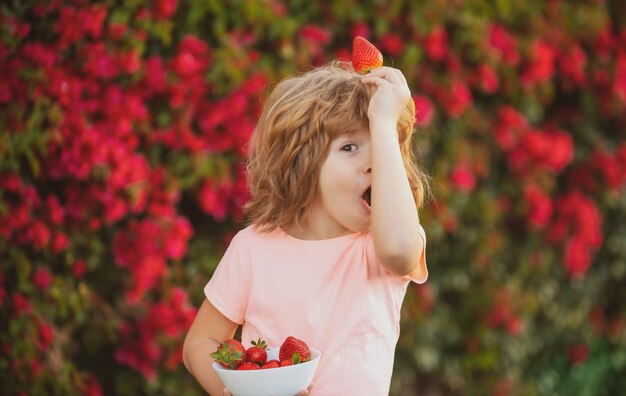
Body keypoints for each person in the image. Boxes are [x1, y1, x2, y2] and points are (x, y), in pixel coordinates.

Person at [183, 60, 430, 396]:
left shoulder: (379, 246)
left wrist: (386, 122)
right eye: (349, 147)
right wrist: (232, 391)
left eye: (382, 146)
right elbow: (200, 341)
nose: (374, 162)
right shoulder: (253, 248)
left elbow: (401, 250)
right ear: (303, 163)